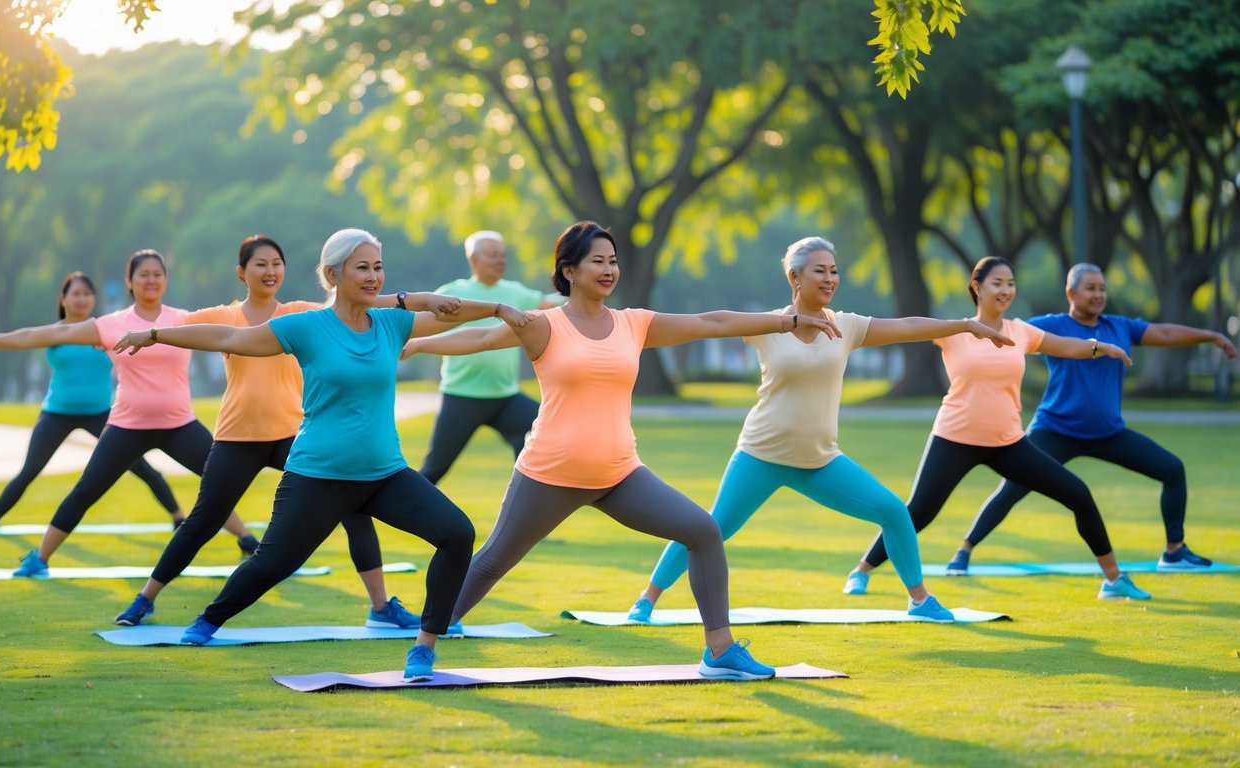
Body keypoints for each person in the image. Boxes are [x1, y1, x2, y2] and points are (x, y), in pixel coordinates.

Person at [410, 220, 842, 681]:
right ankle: (425, 641)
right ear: (569, 270)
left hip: (619, 474)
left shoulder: (633, 324)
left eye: (612, 260)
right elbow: (480, 338)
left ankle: (720, 650)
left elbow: (709, 322)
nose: (609, 269)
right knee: (492, 561)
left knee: (703, 531)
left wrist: (789, 320)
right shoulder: (545, 325)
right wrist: (414, 345)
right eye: (597, 260)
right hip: (550, 473)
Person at [114, 227, 532, 683]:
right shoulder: (306, 327)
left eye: (378, 267)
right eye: (362, 268)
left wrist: (496, 308)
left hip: (383, 473)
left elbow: (451, 315)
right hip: (318, 475)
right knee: (272, 564)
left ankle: (424, 646)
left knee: (456, 533)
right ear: (333, 274)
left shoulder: (393, 324)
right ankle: (209, 619)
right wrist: (156, 334)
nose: (373, 277)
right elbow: (228, 339)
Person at [625, 237, 1015, 624]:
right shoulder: (768, 325)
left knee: (894, 511)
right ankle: (647, 598)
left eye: (834, 271)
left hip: (820, 460)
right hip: (761, 455)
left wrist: (965, 325)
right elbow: (716, 322)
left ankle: (920, 599)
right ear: (795, 277)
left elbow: (906, 326)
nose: (830, 278)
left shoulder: (845, 325)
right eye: (820, 271)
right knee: (710, 527)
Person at [113, 235, 425, 630]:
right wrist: (151, 333)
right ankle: (145, 599)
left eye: (277, 263)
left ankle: (380, 606)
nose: (270, 271)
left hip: (292, 439)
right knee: (204, 521)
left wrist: (406, 301)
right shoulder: (225, 316)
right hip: (237, 438)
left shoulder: (300, 313)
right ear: (242, 272)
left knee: (356, 511)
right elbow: (183, 328)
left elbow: (356, 303)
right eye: (260, 264)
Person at [846, 256, 1152, 601]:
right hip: (954, 438)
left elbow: (1065, 346)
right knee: (917, 512)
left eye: (1010, 283)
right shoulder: (955, 331)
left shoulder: (1020, 332)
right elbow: (911, 327)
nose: (1006, 290)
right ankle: (861, 572)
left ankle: (1114, 580)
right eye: (997, 283)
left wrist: (1100, 347)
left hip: (1007, 442)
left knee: (1079, 495)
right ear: (977, 287)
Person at [0, 250, 259, 576]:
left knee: (218, 481)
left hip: (179, 424)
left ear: (165, 280)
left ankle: (248, 541)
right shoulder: (111, 325)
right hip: (127, 426)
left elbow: (234, 329)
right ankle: (40, 558)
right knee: (86, 490)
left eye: (157, 274)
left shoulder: (182, 318)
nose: (151, 280)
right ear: (129, 281)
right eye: (143, 274)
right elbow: (42, 335)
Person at [945, 262, 1237, 574]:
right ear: (1071, 292)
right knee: (1012, 487)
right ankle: (964, 550)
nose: (1098, 294)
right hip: (1055, 430)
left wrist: (1210, 336)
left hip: (1109, 433)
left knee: (1172, 469)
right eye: (1091, 288)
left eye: (1102, 288)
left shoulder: (1119, 326)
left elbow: (1163, 332)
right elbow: (1002, 331)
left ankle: (1174, 551)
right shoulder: (1051, 325)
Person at [0, 272, 184, 534]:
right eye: (75, 294)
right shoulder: (57, 333)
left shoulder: (105, 330)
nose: (82, 299)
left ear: (93, 299)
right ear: (63, 299)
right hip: (57, 413)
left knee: (140, 467)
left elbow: (147, 349)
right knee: (30, 470)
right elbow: (23, 337)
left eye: (87, 294)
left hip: (101, 413)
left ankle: (178, 516)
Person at [417, 230, 559, 484]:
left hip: (505, 398)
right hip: (462, 396)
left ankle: (524, 491)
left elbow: (551, 303)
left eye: (503, 256)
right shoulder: (452, 291)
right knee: (434, 470)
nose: (500, 261)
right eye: (493, 255)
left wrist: (583, 288)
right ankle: (391, 504)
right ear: (474, 260)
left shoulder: (515, 292)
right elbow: (417, 321)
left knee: (540, 430)